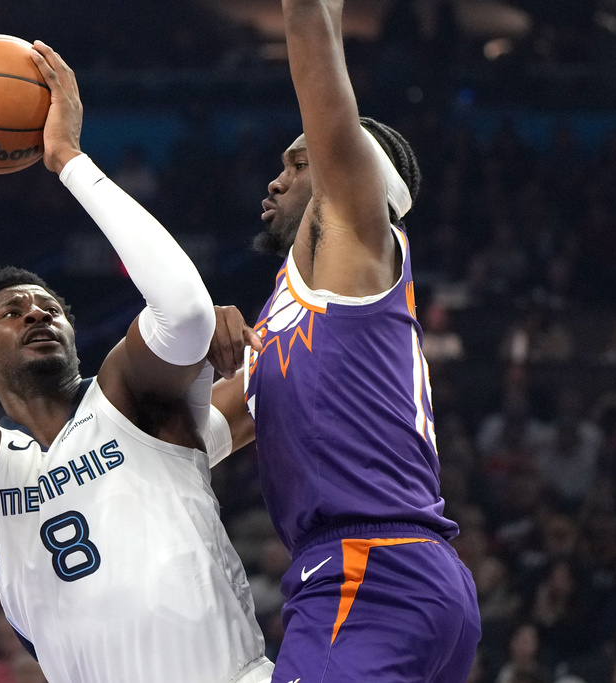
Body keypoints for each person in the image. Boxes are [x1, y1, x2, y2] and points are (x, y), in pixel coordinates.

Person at [0, 40, 272, 683]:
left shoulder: (128, 399)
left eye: (49, 307)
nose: (36, 315)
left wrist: (68, 161)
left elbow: (185, 313)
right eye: (12, 311)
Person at [204, 0, 481, 680]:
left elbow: (308, 29)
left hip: (366, 569)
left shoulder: (361, 237)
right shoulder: (288, 318)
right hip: (395, 574)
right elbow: (194, 433)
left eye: (298, 163)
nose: (277, 177)